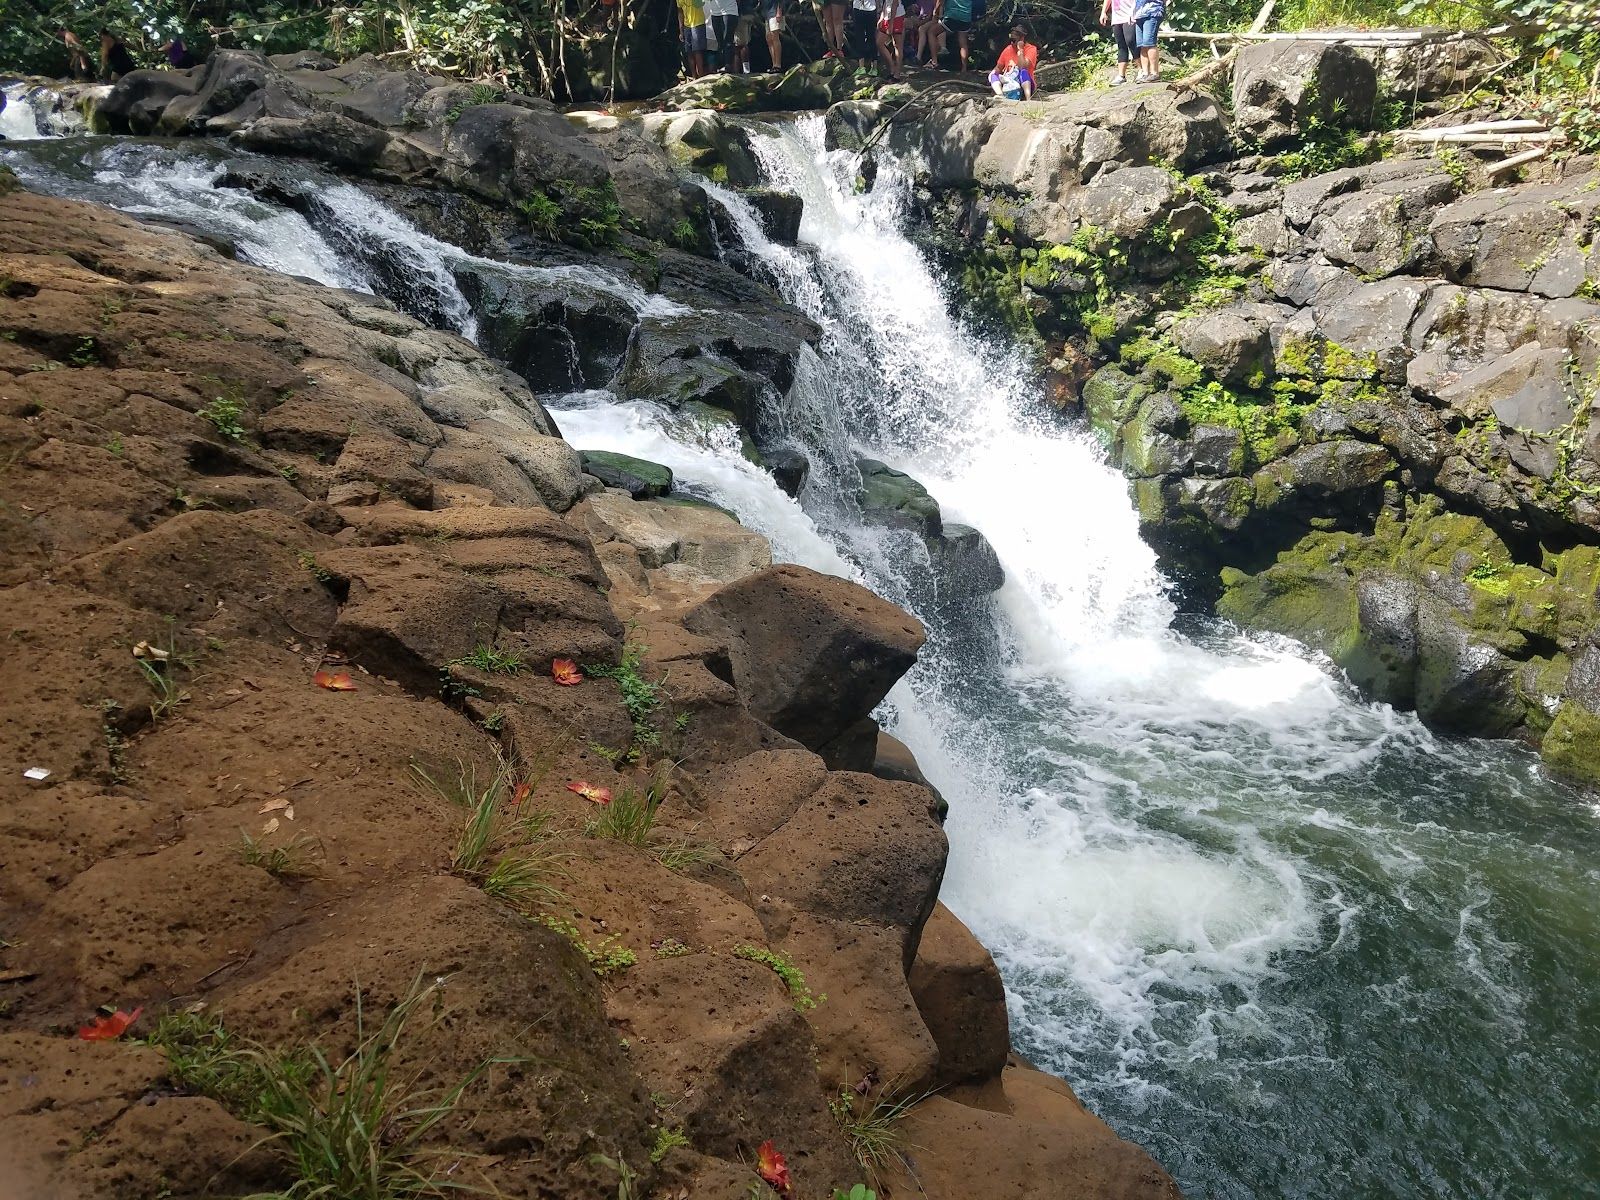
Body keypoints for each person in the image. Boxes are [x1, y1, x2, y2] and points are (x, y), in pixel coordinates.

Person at [992, 26, 1037, 94]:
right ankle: (1000, 95)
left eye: (1014, 40)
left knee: (1023, 72)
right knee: (993, 75)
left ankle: (1028, 98)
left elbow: (1022, 67)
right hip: (1010, 82)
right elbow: (998, 67)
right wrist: (994, 73)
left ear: (1022, 38)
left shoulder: (1031, 49)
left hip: (1025, 83)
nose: (1012, 42)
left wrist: (1020, 50)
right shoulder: (1008, 49)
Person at [1099, 0, 1136, 83]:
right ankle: (1121, 75)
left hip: (1130, 16)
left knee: (1131, 41)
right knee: (1121, 45)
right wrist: (1103, 12)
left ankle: (1142, 70)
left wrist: (1133, 11)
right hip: (1117, 18)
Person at [1131, 0, 1163, 81]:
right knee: (1142, 45)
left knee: (1149, 43)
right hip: (1139, 15)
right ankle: (1145, 73)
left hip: (1152, 12)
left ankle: (1154, 73)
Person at [936, 0, 972, 72]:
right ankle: (964, 68)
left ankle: (934, 62)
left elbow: (940, 1)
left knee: (931, 32)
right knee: (963, 44)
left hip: (951, 16)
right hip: (966, 17)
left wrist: (935, 11)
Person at [875, 0, 905, 81]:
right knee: (879, 42)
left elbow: (895, 3)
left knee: (897, 45)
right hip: (887, 15)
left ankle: (897, 74)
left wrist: (891, 24)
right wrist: (882, 17)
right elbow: (886, 3)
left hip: (897, 16)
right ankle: (892, 67)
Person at [705, 0, 739, 70]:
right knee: (720, 42)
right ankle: (721, 66)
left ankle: (728, 66)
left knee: (728, 40)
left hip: (729, 11)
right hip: (715, 13)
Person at [677, 0, 708, 77]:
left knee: (697, 50)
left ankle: (701, 75)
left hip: (698, 23)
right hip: (687, 25)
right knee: (689, 51)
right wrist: (681, 30)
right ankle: (694, 75)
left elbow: (700, 4)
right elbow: (680, 12)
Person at [849, 0, 878, 72]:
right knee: (871, 37)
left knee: (860, 37)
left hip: (859, 9)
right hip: (871, 8)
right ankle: (874, 67)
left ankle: (862, 66)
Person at [762, 0, 785, 72]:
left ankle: (778, 65)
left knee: (775, 37)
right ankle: (774, 64)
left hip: (775, 12)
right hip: (767, 14)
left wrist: (779, 11)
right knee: (769, 39)